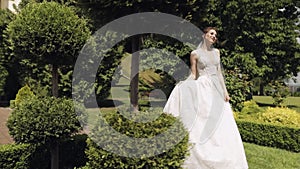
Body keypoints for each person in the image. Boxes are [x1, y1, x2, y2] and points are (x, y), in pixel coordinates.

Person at [163, 27, 248, 169]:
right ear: (204, 36)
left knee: (220, 119)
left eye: (215, 35)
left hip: (217, 88)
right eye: (211, 34)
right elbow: (194, 74)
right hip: (203, 87)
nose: (214, 36)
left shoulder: (217, 52)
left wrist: (225, 92)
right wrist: (184, 83)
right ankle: (201, 152)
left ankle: (222, 153)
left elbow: (219, 73)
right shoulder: (195, 54)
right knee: (203, 117)